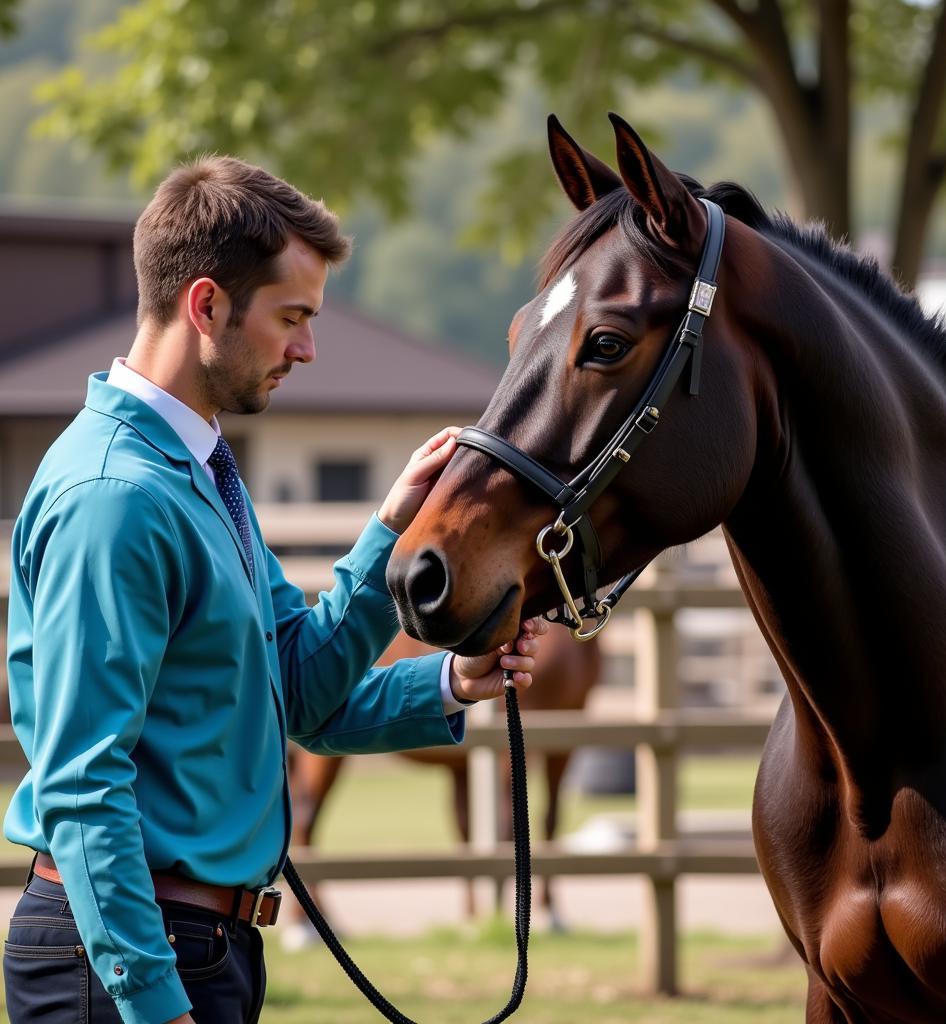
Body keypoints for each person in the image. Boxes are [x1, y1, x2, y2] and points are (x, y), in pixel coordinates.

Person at [2, 156, 545, 1024]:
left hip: (202, 948)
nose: (307, 348)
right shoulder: (116, 499)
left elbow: (290, 689)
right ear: (206, 304)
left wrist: (445, 671)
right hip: (123, 963)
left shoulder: (196, 470)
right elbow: (82, 780)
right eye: (291, 317)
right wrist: (151, 1003)